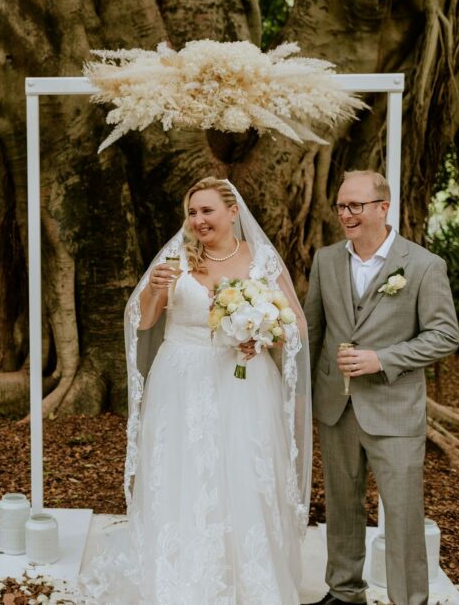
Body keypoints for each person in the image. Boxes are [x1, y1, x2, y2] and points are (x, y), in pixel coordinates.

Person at [81, 177, 311, 603]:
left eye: (207, 211)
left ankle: (244, 576)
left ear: (232, 212)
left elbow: (295, 325)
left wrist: (262, 336)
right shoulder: (176, 258)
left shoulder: (260, 260)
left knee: (242, 472)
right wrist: (154, 289)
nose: (198, 220)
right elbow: (144, 321)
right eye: (192, 212)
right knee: (182, 471)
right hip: (181, 382)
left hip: (244, 382)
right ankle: (179, 577)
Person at [303, 170, 459, 605]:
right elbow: (313, 329)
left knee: (403, 513)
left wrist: (383, 359)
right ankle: (344, 592)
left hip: (394, 409)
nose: (346, 214)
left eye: (355, 205)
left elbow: (445, 335)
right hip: (336, 406)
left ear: (383, 207)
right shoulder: (326, 260)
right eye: (341, 206)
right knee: (341, 505)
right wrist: (300, 393)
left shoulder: (423, 265)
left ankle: (409, 599)